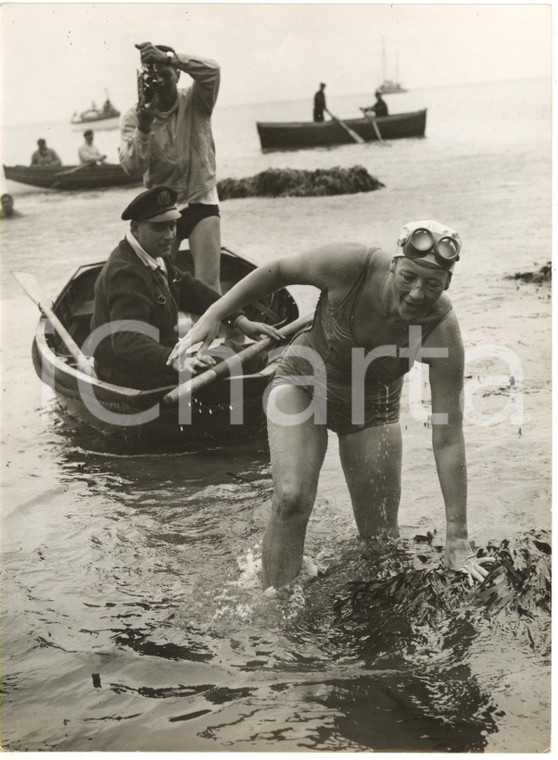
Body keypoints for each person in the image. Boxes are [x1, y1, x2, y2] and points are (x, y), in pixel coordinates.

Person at [169, 220, 496, 590]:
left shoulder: (441, 328)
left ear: (447, 284)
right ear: (393, 265)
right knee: (291, 498)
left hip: (371, 407)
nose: (417, 293)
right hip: (304, 381)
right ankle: (274, 605)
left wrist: (458, 536)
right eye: (408, 277)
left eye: (432, 284)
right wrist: (214, 315)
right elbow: (278, 271)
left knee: (380, 543)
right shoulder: (351, 266)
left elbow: (448, 437)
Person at [90, 186, 281, 390]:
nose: (169, 236)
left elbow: (191, 290)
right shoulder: (126, 273)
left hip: (161, 357)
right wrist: (177, 361)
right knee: (238, 355)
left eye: (172, 226)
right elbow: (127, 341)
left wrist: (239, 320)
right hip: (126, 371)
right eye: (159, 228)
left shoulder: (154, 256)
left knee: (238, 355)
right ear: (136, 228)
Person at [119, 41, 222, 293]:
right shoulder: (134, 116)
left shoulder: (197, 100)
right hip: (162, 207)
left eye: (165, 74)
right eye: (153, 78)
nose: (161, 83)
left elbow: (212, 70)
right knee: (159, 285)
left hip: (201, 200)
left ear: (177, 73)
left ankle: (217, 331)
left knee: (208, 283)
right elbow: (132, 168)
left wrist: (169, 58)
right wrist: (144, 126)